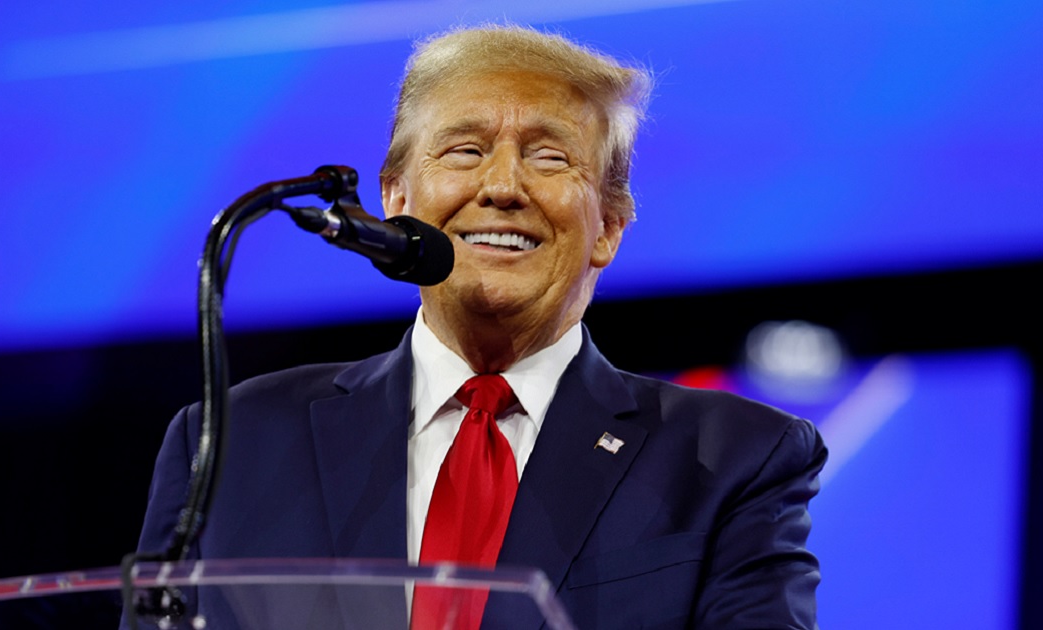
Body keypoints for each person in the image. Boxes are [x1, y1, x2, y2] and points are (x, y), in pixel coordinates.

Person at [135, 25, 826, 629]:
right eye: (463, 151)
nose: (502, 186)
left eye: (549, 157)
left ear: (609, 227)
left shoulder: (733, 460)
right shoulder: (230, 443)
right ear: (395, 200)